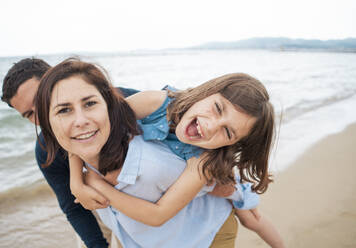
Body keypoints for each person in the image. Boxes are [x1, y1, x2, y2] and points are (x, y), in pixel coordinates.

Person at [36, 58, 238, 247]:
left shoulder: (153, 163)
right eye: (64, 110)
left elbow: (222, 189)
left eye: (90, 103)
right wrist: (76, 183)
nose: (80, 121)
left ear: (110, 105)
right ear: (48, 123)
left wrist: (95, 184)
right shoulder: (86, 147)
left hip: (207, 236)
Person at [71, 73, 285, 247]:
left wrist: (98, 185)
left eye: (227, 132)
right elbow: (87, 132)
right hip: (196, 192)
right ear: (207, 92)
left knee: (249, 214)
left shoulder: (204, 161)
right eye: (217, 108)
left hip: (219, 188)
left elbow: (158, 215)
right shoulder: (155, 103)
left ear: (231, 144)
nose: (211, 125)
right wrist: (76, 182)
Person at [0, 58, 139, 247]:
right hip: (102, 209)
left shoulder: (118, 102)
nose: (41, 114)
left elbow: (172, 108)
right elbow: (72, 208)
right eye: (30, 114)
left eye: (39, 99)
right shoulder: (45, 150)